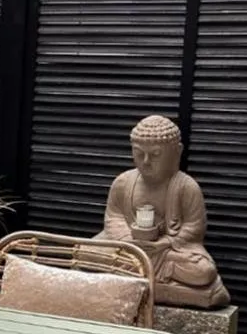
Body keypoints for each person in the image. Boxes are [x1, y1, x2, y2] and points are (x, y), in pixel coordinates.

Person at [97, 114, 228, 309]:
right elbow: (113, 218)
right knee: (87, 251)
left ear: (176, 152)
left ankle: (135, 275)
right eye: (139, 153)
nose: (146, 161)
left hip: (168, 252)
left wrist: (166, 242)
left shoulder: (186, 187)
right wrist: (128, 240)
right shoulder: (123, 183)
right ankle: (144, 275)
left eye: (156, 155)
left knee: (203, 272)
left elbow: (194, 227)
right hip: (128, 247)